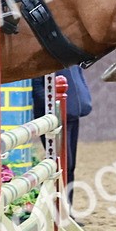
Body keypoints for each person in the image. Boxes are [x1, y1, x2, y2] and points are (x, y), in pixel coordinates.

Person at [31, 66, 92, 209]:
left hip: (71, 114)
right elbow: (37, 86)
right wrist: (53, 109)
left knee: (70, 166)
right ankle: (56, 207)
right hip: (54, 118)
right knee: (62, 164)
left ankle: (67, 208)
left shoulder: (71, 59)